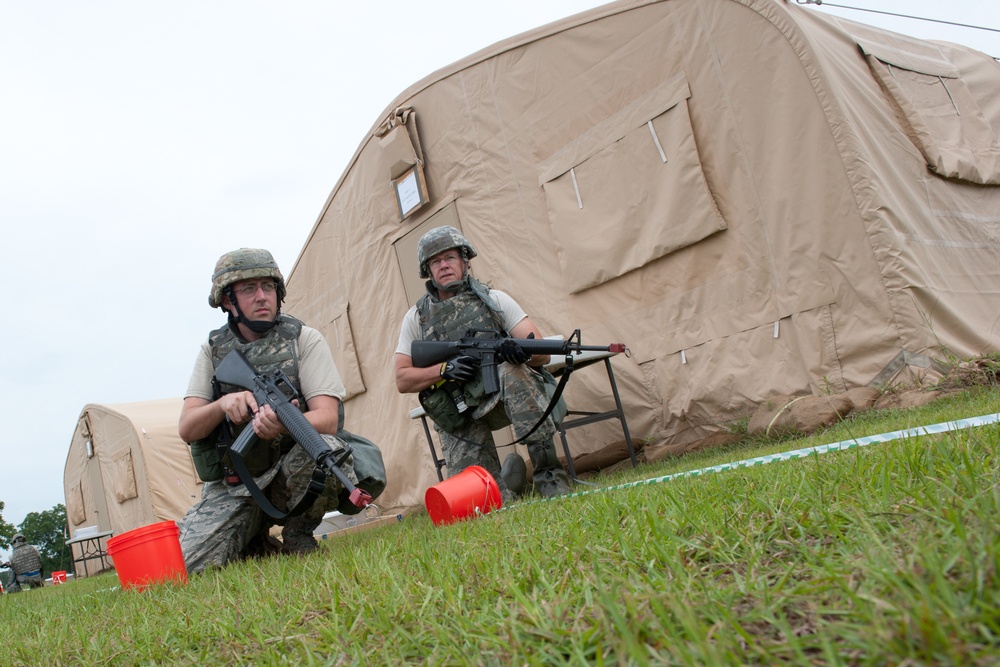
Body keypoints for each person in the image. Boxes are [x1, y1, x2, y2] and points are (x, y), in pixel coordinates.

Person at [178, 248, 383, 574]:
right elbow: (188, 428)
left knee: (329, 451)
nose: (262, 297)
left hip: (291, 471)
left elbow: (327, 418)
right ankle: (255, 540)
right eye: (248, 289)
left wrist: (283, 424)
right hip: (235, 485)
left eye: (268, 287)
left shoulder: (304, 339)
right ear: (228, 301)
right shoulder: (212, 349)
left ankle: (298, 535)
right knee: (185, 566)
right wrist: (222, 404)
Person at [394, 226, 571, 500]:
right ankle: (512, 481)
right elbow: (403, 378)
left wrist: (519, 353)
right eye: (436, 261)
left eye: (450, 257)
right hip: (458, 412)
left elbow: (543, 354)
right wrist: (444, 369)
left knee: (515, 372)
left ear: (465, 261)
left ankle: (549, 478)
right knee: (483, 502)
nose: (444, 266)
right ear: (427, 270)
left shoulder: (495, 300)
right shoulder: (416, 318)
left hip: (499, 398)